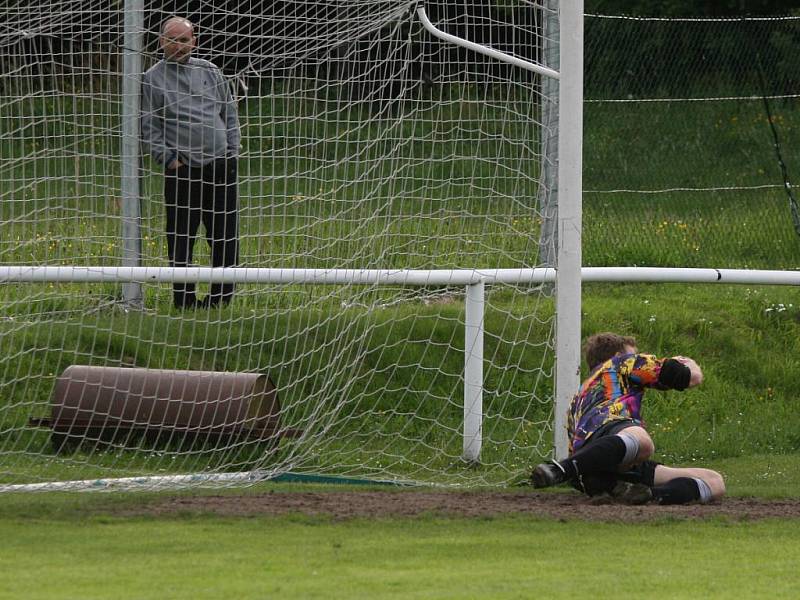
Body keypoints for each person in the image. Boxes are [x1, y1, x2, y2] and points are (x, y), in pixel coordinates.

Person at [532, 332, 726, 505]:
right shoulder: (620, 363)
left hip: (597, 463)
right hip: (610, 438)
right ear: (618, 356)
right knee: (643, 442)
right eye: (634, 355)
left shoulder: (579, 397)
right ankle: (560, 470)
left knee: (715, 481)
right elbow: (687, 377)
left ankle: (644, 494)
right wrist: (687, 363)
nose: (638, 359)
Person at [141, 16, 241, 309]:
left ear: (194, 41)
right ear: (161, 42)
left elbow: (229, 113)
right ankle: (184, 301)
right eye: (172, 40)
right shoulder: (153, 78)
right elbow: (150, 127)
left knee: (225, 236)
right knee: (181, 238)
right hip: (184, 170)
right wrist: (170, 160)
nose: (178, 46)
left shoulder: (210, 70)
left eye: (184, 40)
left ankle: (220, 301)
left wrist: (232, 152)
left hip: (221, 166)